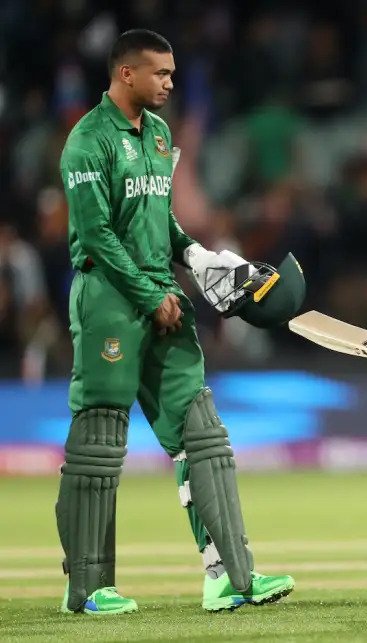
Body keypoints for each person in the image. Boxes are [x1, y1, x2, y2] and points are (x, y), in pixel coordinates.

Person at [57, 29, 301, 615]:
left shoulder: (162, 135)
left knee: (204, 435)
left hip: (159, 293)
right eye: (160, 73)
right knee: (99, 442)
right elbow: (96, 234)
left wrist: (197, 257)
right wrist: (147, 294)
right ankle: (87, 589)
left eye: (172, 72)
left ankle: (229, 577)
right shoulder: (86, 142)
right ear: (126, 75)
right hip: (109, 298)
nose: (170, 82)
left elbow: (159, 222)